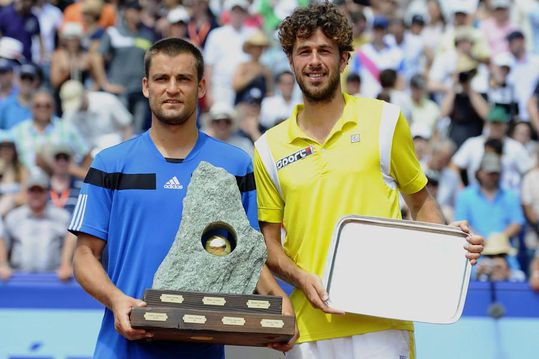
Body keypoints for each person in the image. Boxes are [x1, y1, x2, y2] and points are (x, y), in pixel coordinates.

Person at [253, 3, 483, 358]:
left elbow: (421, 203)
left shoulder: (386, 120)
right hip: (311, 328)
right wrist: (300, 278)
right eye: (304, 52)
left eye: (325, 51)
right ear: (291, 61)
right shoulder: (267, 147)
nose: (314, 61)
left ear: (344, 60)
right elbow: (270, 246)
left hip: (384, 321)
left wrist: (448, 244)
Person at [69, 38, 295, 358]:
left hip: (203, 348)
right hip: (123, 348)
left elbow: (244, 254)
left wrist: (278, 300)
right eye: (162, 79)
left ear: (201, 87)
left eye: (183, 79)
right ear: (146, 86)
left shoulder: (235, 165)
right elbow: (83, 256)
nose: (172, 88)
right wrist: (117, 300)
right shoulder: (110, 163)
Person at [1, 170, 75, 281]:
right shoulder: (13, 217)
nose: (36, 194)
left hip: (53, 280)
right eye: (32, 190)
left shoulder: (62, 217)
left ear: (47, 192)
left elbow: (71, 239)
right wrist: (2, 264)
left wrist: (66, 264)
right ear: (27, 192)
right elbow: (2, 240)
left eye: (40, 190)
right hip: (18, 280)